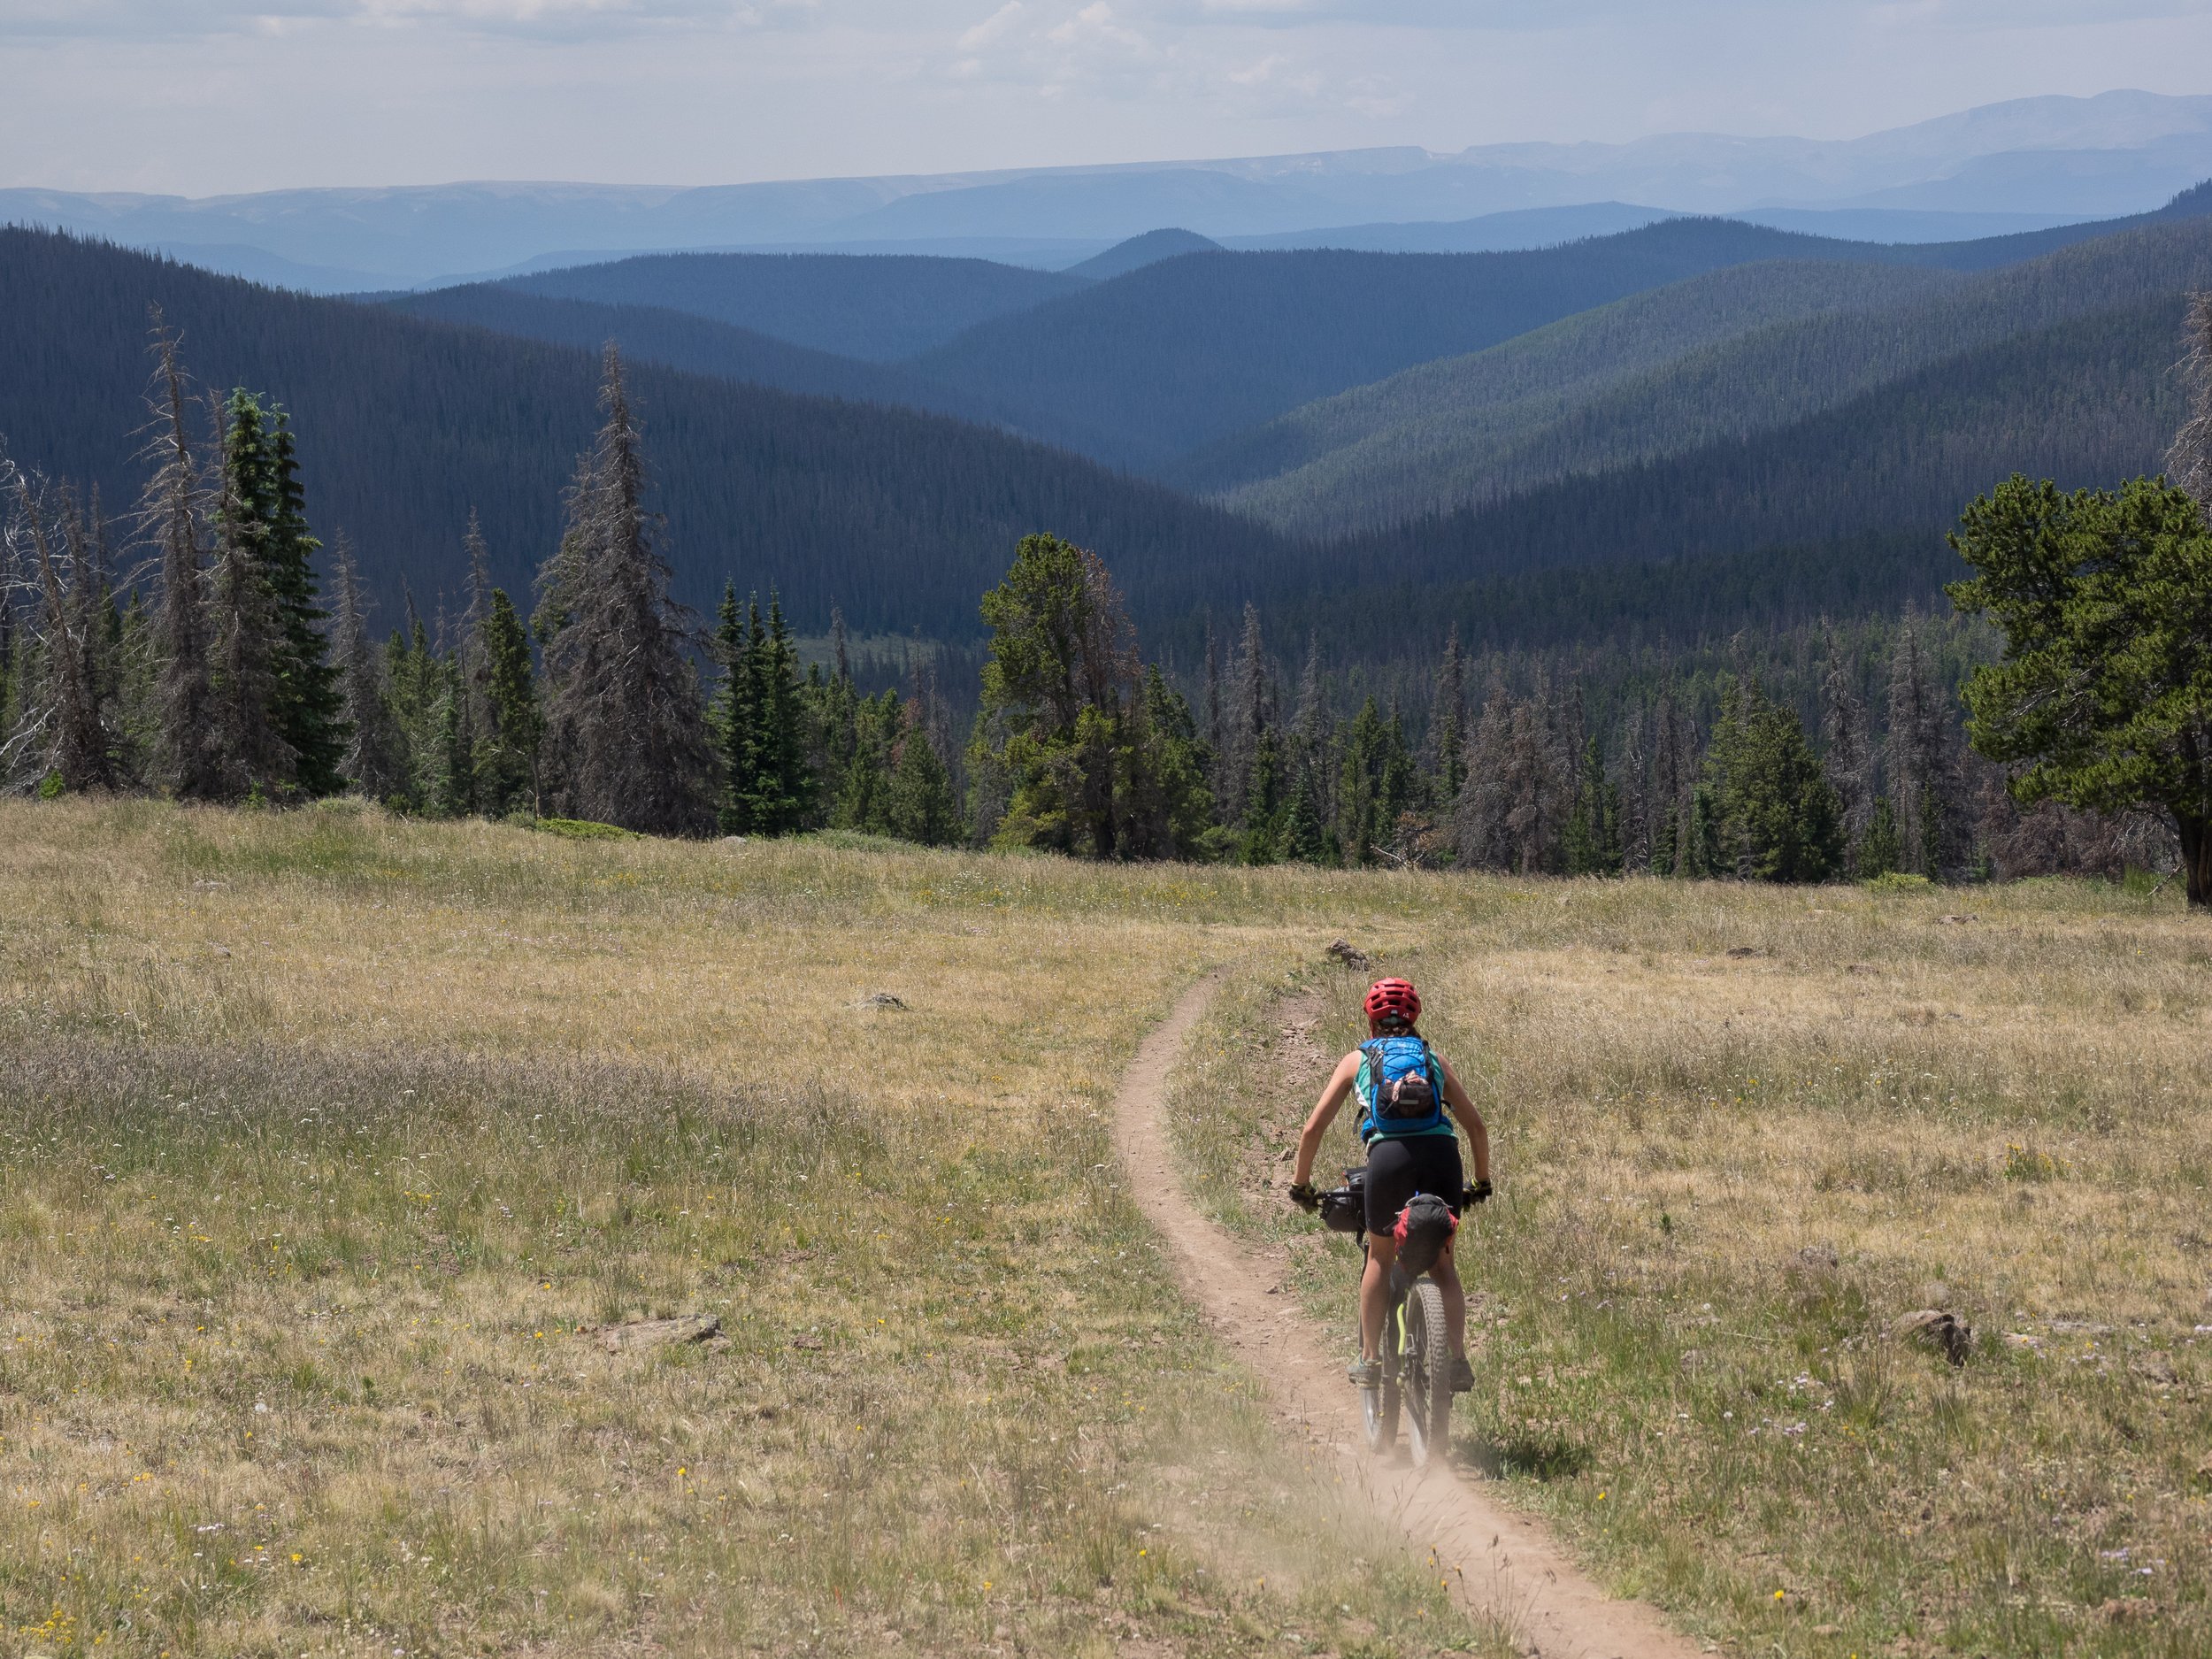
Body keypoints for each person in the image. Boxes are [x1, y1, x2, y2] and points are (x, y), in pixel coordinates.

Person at [1288, 977, 1492, 1391]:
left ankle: (1370, 1361)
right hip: (1442, 1156)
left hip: (1389, 1158)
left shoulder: (1357, 1059)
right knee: (1443, 1263)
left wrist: (1301, 1186)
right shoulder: (1433, 1059)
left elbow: (1312, 1130)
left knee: (1380, 1257)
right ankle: (1455, 1361)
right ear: (1416, 1017)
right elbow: (1476, 1127)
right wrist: (1481, 1182)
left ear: (1370, 1019)